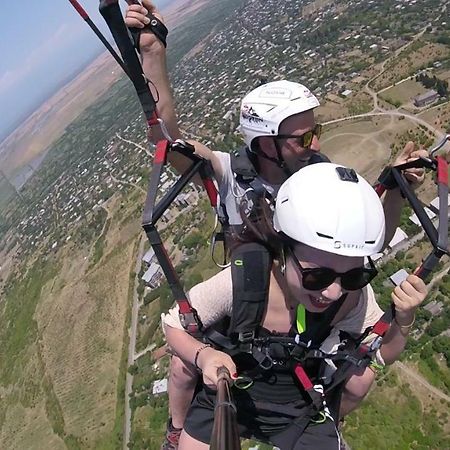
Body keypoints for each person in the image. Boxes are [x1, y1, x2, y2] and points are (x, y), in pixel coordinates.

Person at [124, 2, 428, 448]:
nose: (315, 143)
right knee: (181, 366)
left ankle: (314, 422)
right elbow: (169, 141)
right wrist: (152, 55)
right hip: (249, 296)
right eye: (302, 137)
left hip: (310, 298)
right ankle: (177, 430)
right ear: (266, 143)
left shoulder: (320, 181)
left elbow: (369, 239)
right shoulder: (230, 175)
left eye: (315, 132)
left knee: (358, 381)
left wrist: (396, 187)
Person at [162, 163, 428, 449]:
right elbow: (174, 324)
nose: (333, 291)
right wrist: (204, 357)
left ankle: (333, 420)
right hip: (233, 389)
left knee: (361, 379)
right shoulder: (245, 280)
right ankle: (175, 434)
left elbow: (379, 356)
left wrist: (404, 320)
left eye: (353, 276)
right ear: (283, 251)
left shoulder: (353, 297)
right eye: (317, 276)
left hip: (299, 403)